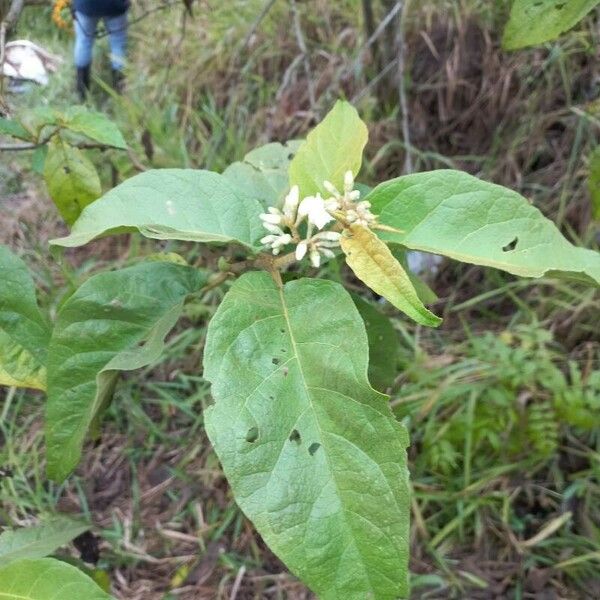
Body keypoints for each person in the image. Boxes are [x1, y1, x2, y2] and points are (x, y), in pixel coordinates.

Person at [72, 0, 130, 100]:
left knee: (83, 42)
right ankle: (120, 93)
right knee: (118, 44)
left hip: (86, 5)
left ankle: (82, 94)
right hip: (115, 5)